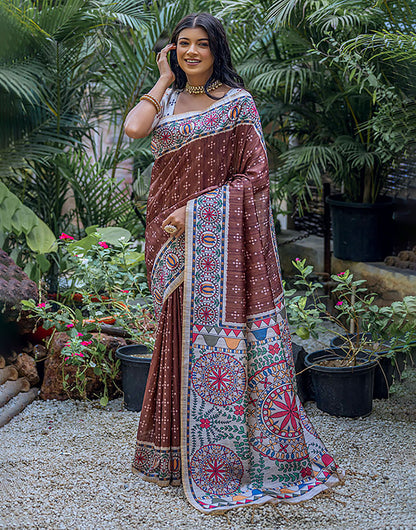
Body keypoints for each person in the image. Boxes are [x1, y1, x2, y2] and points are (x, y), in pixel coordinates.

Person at [124, 12, 343, 514]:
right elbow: (136, 128)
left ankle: (225, 458)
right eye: (183, 44)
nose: (192, 52)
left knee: (208, 337)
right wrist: (162, 78)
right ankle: (172, 453)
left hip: (211, 235)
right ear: (173, 50)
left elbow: (256, 177)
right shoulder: (170, 98)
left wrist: (195, 210)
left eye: (202, 44)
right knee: (174, 329)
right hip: (167, 232)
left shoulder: (237, 105)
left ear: (216, 49)